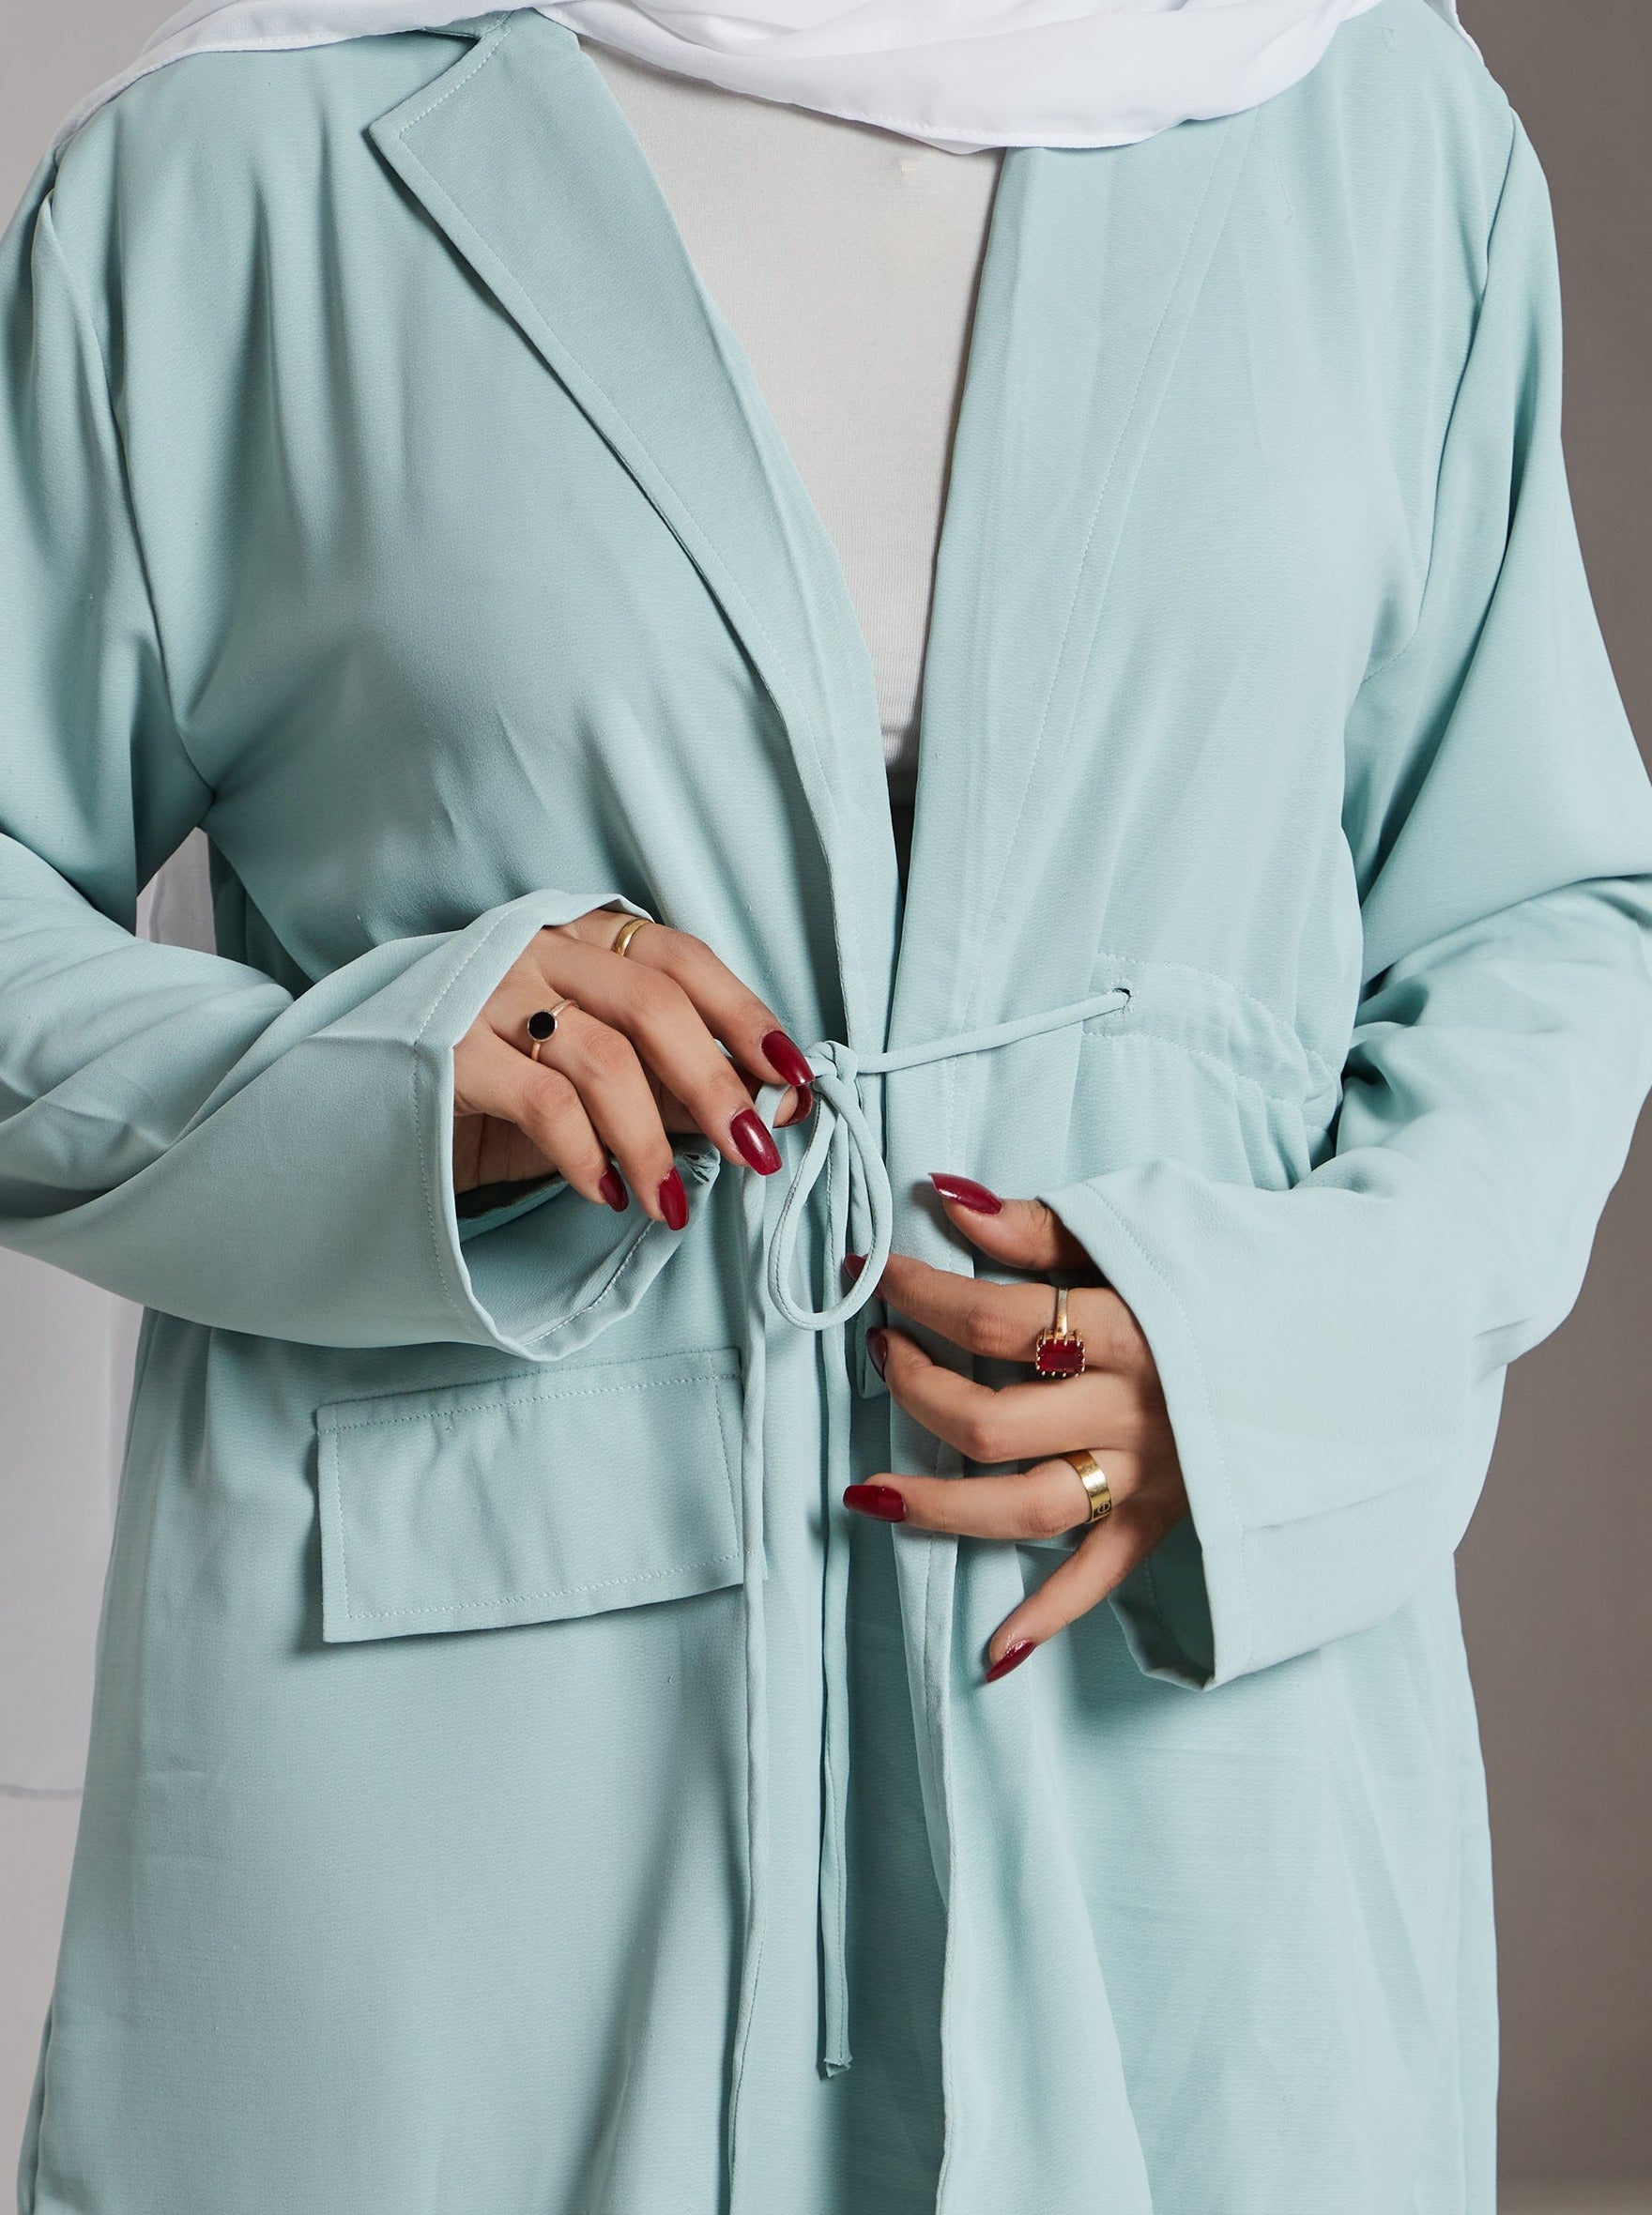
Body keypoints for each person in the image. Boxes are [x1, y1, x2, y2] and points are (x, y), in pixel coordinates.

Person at [5, 3, 1650, 2211]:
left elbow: (1541, 913)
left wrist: (1267, 1358)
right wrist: (384, 1072)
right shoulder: (243, 153)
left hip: (1172, 1746)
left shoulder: (1361, 120)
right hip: (457, 1803)